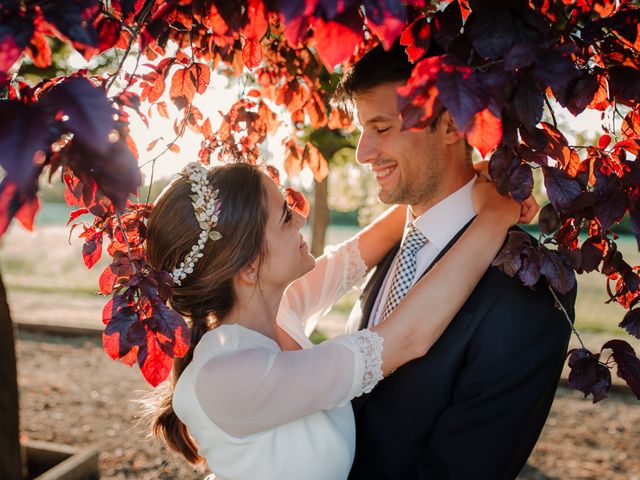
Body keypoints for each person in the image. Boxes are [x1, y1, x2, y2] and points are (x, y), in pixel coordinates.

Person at [144, 161, 534, 480]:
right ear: (248, 266)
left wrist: (458, 184)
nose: (299, 216)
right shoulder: (227, 375)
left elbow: (357, 254)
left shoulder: (280, 309)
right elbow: (408, 337)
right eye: (283, 217)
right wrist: (496, 215)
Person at [331, 42, 578, 479]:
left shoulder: (526, 286)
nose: (362, 153)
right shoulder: (387, 245)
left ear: (450, 125)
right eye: (362, 131)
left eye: (382, 128)